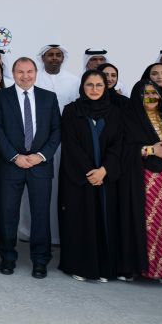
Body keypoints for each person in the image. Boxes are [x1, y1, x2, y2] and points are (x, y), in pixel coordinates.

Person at [0, 57, 61, 278]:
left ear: (36, 73)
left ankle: (40, 260)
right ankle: (7, 257)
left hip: (39, 165)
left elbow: (56, 130)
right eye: (20, 72)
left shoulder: (49, 97)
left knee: (40, 214)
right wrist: (14, 157)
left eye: (29, 71)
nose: (25, 76)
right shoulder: (0, 97)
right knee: (7, 213)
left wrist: (40, 156)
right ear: (13, 74)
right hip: (10, 165)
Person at [58, 71, 123, 282]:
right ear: (82, 87)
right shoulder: (71, 111)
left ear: (105, 87)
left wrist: (104, 170)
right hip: (78, 178)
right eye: (89, 85)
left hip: (106, 178)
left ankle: (105, 268)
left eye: (98, 85)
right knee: (80, 221)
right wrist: (90, 172)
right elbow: (71, 145)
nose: (94, 89)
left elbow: (118, 145)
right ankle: (79, 266)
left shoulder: (115, 112)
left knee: (105, 221)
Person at [119, 80, 162, 285]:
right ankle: (137, 268)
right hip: (139, 178)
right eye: (146, 94)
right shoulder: (128, 118)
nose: (151, 97)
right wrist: (150, 150)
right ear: (138, 97)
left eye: (154, 93)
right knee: (142, 223)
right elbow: (121, 149)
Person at [27, 44, 81, 245]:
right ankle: (29, 231)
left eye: (58, 55)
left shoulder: (74, 81)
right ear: (43, 58)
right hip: (37, 146)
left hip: (66, 142)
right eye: (50, 55)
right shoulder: (34, 79)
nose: (54, 58)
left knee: (61, 186)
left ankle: (60, 233)